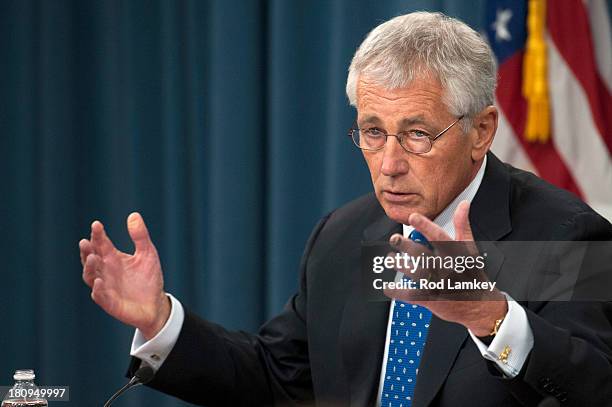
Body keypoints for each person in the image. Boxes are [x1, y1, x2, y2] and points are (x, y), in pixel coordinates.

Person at [79, 11, 612, 407]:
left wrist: (490, 317)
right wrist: (159, 322)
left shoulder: (565, 236)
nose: (389, 164)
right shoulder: (343, 235)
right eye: (373, 133)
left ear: (482, 130)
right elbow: (275, 377)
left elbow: (595, 387)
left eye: (418, 134)